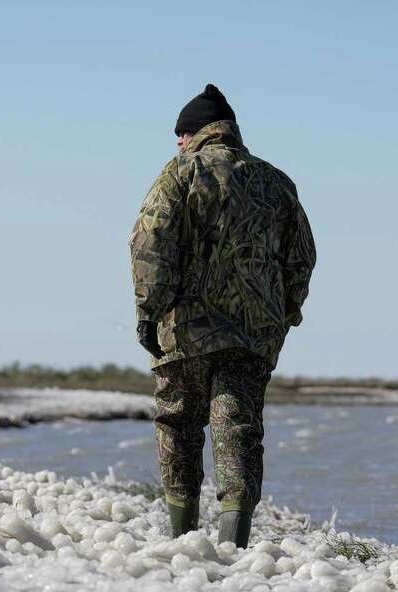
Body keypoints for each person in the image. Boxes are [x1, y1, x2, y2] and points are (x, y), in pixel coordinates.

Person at [129, 84, 317, 548]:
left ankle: (182, 539)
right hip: (253, 335)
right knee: (238, 427)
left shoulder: (181, 173)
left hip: (185, 331)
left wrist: (148, 312)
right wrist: (284, 313)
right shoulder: (277, 183)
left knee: (178, 423)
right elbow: (303, 257)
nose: (177, 141)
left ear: (195, 133)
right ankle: (235, 545)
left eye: (181, 132)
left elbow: (150, 243)